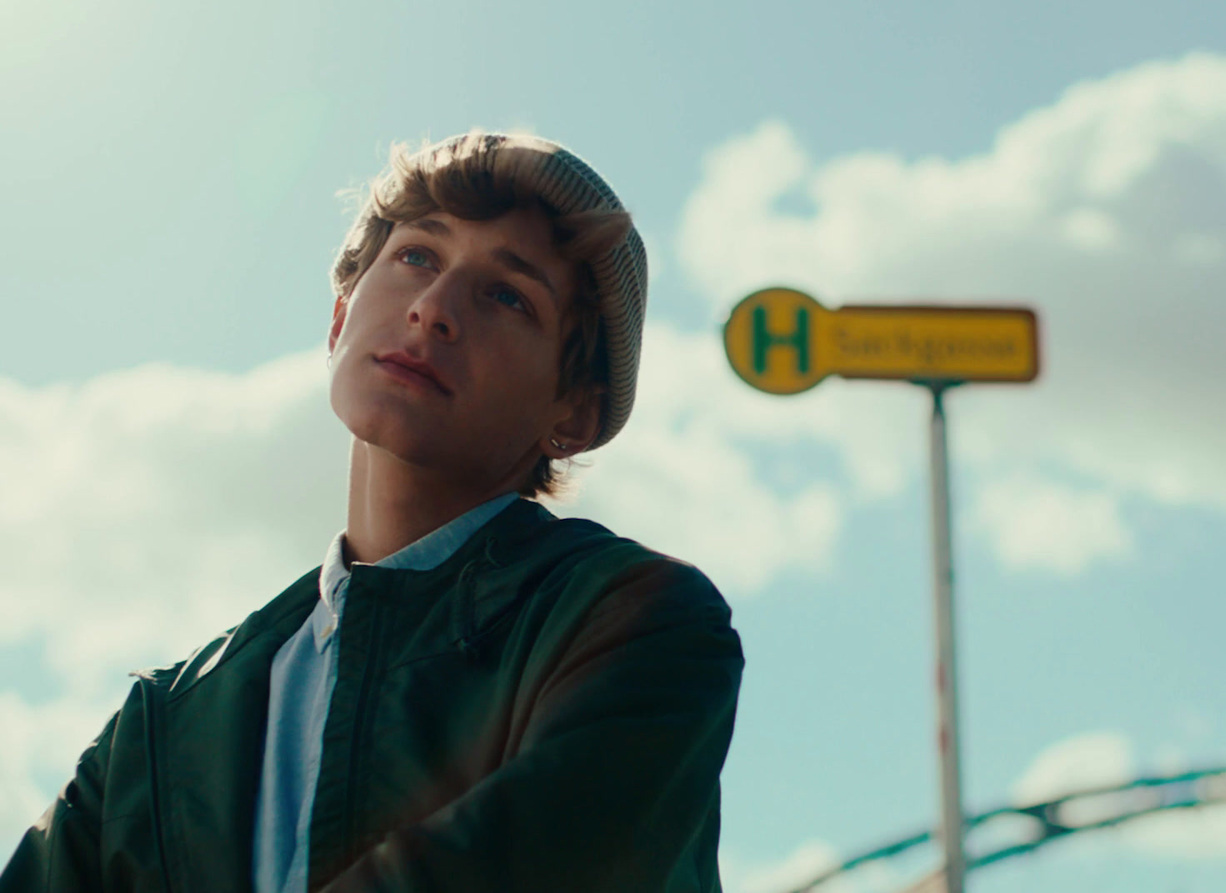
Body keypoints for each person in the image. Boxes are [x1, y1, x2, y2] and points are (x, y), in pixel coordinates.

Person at [0, 131, 744, 892]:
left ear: (576, 411)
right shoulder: (158, 727)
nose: (433, 309)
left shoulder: (640, 623)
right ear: (337, 320)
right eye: (417, 256)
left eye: (508, 295)